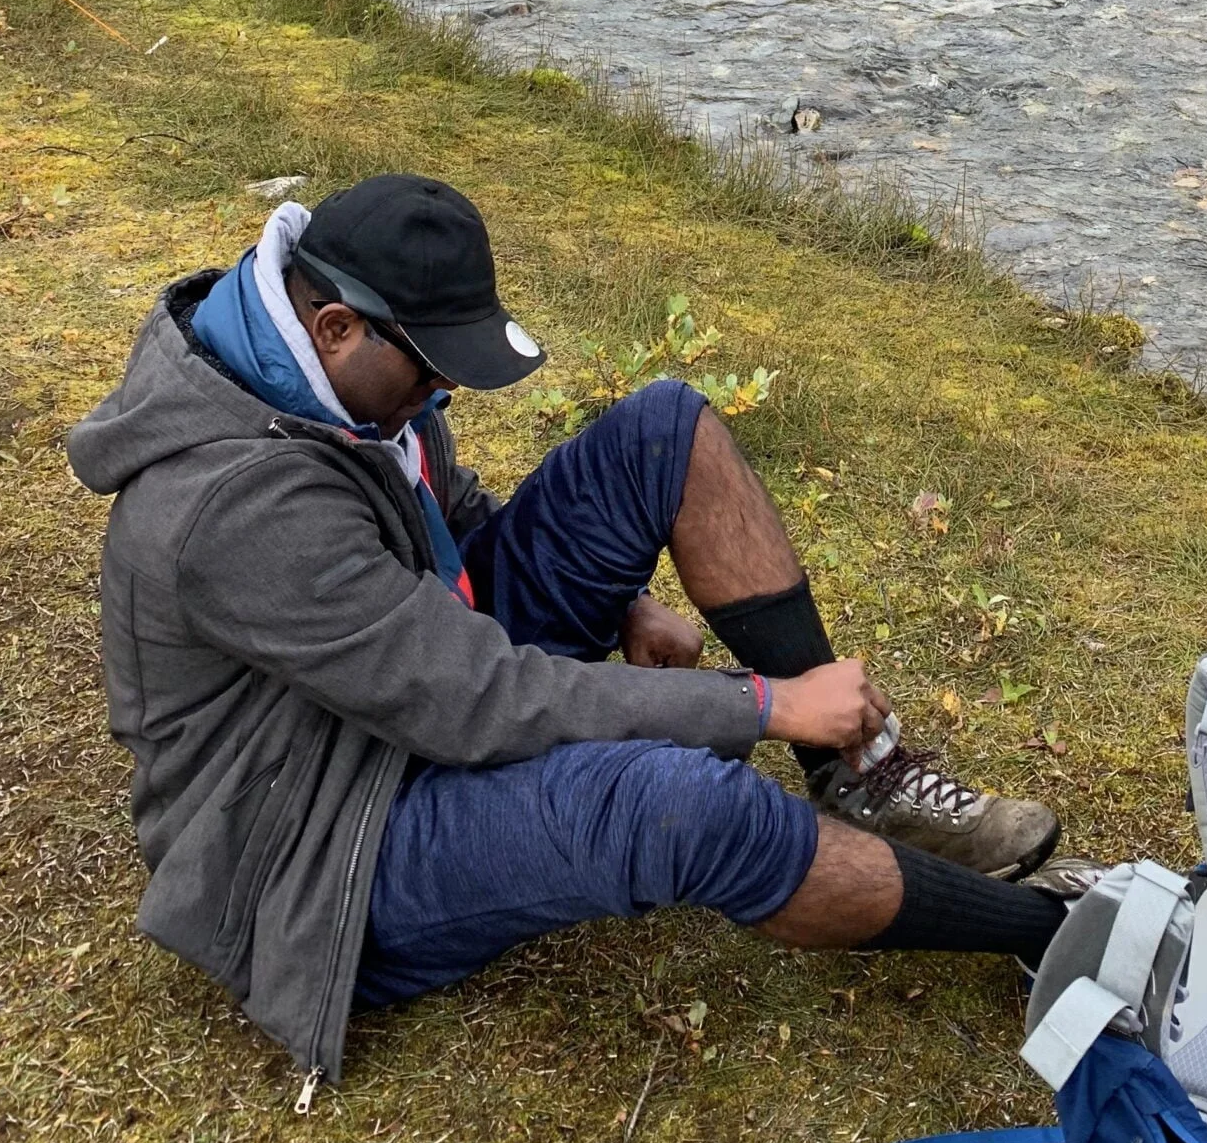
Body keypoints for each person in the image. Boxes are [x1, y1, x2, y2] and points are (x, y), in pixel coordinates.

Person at [67, 173, 1091, 1090]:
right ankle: (1060, 934)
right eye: (428, 372)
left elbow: (448, 512)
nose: (442, 394)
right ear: (336, 326)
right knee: (680, 807)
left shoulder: (336, 381)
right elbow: (482, 698)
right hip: (322, 843)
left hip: (393, 702)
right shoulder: (234, 509)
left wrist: (623, 603)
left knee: (664, 429)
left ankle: (860, 774)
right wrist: (762, 705)